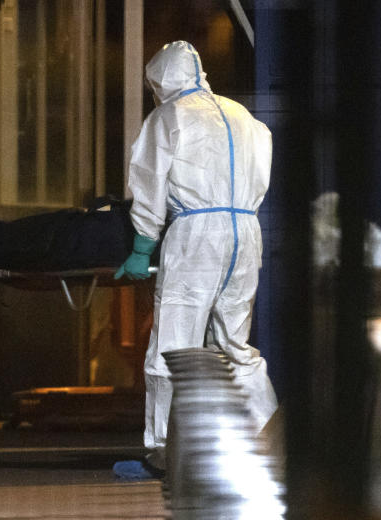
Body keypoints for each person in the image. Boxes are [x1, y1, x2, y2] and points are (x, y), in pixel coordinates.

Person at [113, 41, 278, 479]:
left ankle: (167, 451)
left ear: (159, 80)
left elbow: (149, 181)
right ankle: (269, 442)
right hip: (246, 230)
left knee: (174, 344)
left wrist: (142, 245)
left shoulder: (168, 117)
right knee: (235, 346)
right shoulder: (244, 117)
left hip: (196, 234)